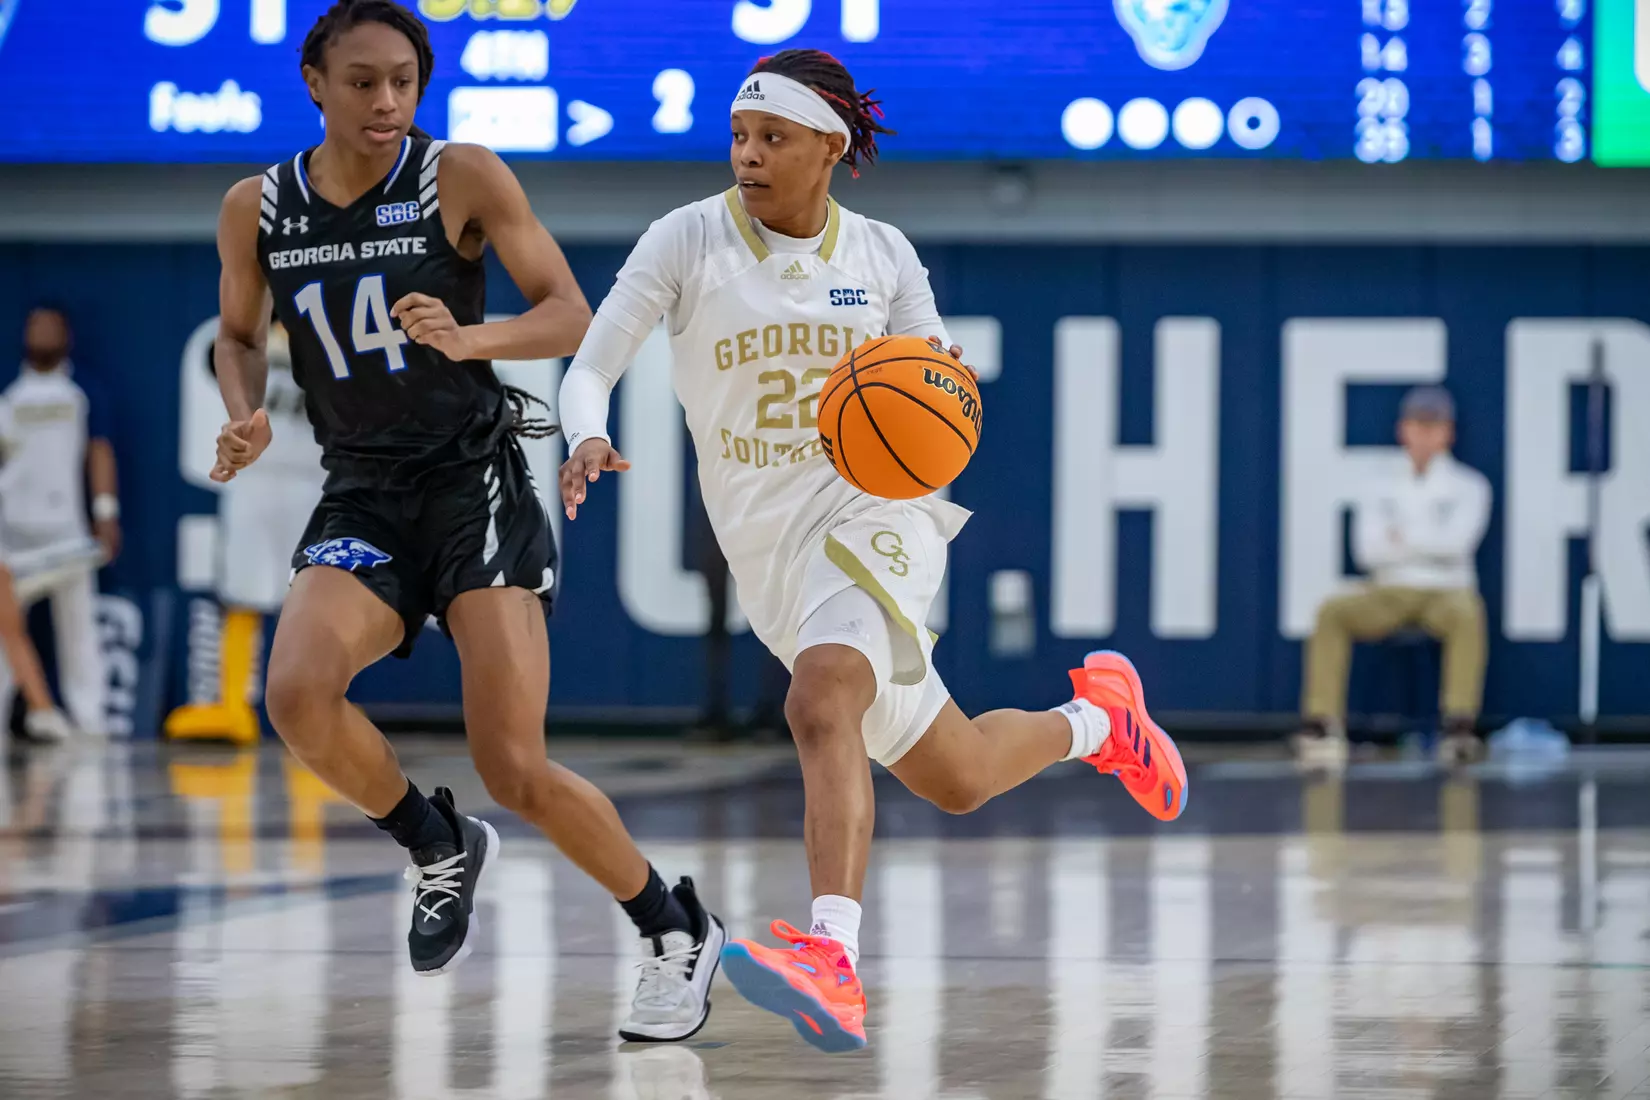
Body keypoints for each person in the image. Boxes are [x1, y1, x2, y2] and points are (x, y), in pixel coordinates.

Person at [557, 48, 1188, 1053]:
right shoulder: (686, 239)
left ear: (829, 146)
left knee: (818, 700)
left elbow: (939, 387)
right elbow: (590, 365)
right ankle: (1097, 719)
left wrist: (940, 380)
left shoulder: (884, 256)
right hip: (771, 553)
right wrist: (584, 432)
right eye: (739, 135)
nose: (748, 156)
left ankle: (833, 957)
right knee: (961, 772)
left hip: (880, 514)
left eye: (772, 138)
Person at [208, 0, 723, 1042]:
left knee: (515, 765)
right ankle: (435, 841)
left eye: (403, 78)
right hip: (360, 485)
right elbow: (235, 330)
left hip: (471, 480)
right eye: (362, 80)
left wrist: (468, 335)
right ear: (314, 81)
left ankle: (674, 927)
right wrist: (244, 410)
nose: (387, 100)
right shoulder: (256, 206)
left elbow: (569, 311)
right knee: (299, 694)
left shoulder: (461, 174)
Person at [1295, 385, 1492, 767]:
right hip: (1389, 589)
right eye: (1418, 425)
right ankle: (1321, 725)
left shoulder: (1470, 485)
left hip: (1446, 591)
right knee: (1333, 611)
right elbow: (1367, 550)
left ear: (1448, 433)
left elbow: (1457, 545)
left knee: (1468, 614)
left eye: (1433, 426)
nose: (1425, 434)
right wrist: (1428, 540)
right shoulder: (1378, 483)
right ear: (1403, 429)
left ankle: (1458, 726)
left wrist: (1403, 537)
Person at [166, 322, 325, 746]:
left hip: (311, 480)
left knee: (314, 601)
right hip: (254, 480)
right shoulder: (246, 334)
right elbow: (219, 360)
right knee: (241, 594)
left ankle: (318, 706)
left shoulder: (333, 332)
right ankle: (233, 707)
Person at [0, 305, 120, 737]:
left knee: (78, 629)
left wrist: (105, 511)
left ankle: (91, 722)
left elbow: (99, 450)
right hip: (12, 532)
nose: (43, 334)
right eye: (36, 327)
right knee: (5, 632)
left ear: (66, 336)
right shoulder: (9, 394)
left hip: (66, 529)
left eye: (52, 328)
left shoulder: (81, 390)